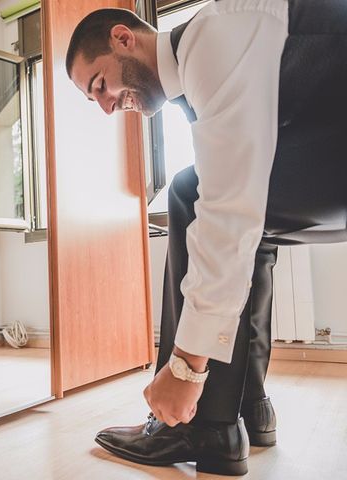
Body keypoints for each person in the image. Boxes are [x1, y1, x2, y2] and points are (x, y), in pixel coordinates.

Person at [66, 0, 346, 475]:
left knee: (190, 191)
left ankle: (202, 425)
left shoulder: (213, 35)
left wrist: (185, 367)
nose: (107, 106)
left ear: (122, 38)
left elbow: (230, 212)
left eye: (99, 85)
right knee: (216, 196)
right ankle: (248, 405)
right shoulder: (204, 70)